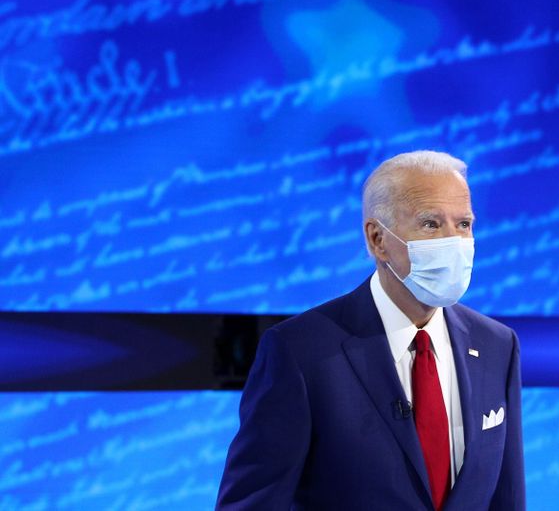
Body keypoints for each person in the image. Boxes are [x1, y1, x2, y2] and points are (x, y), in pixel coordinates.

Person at [216, 150, 525, 510]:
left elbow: (507, 499)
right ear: (378, 239)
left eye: (464, 225)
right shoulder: (300, 352)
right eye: (430, 224)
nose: (454, 243)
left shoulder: (497, 345)